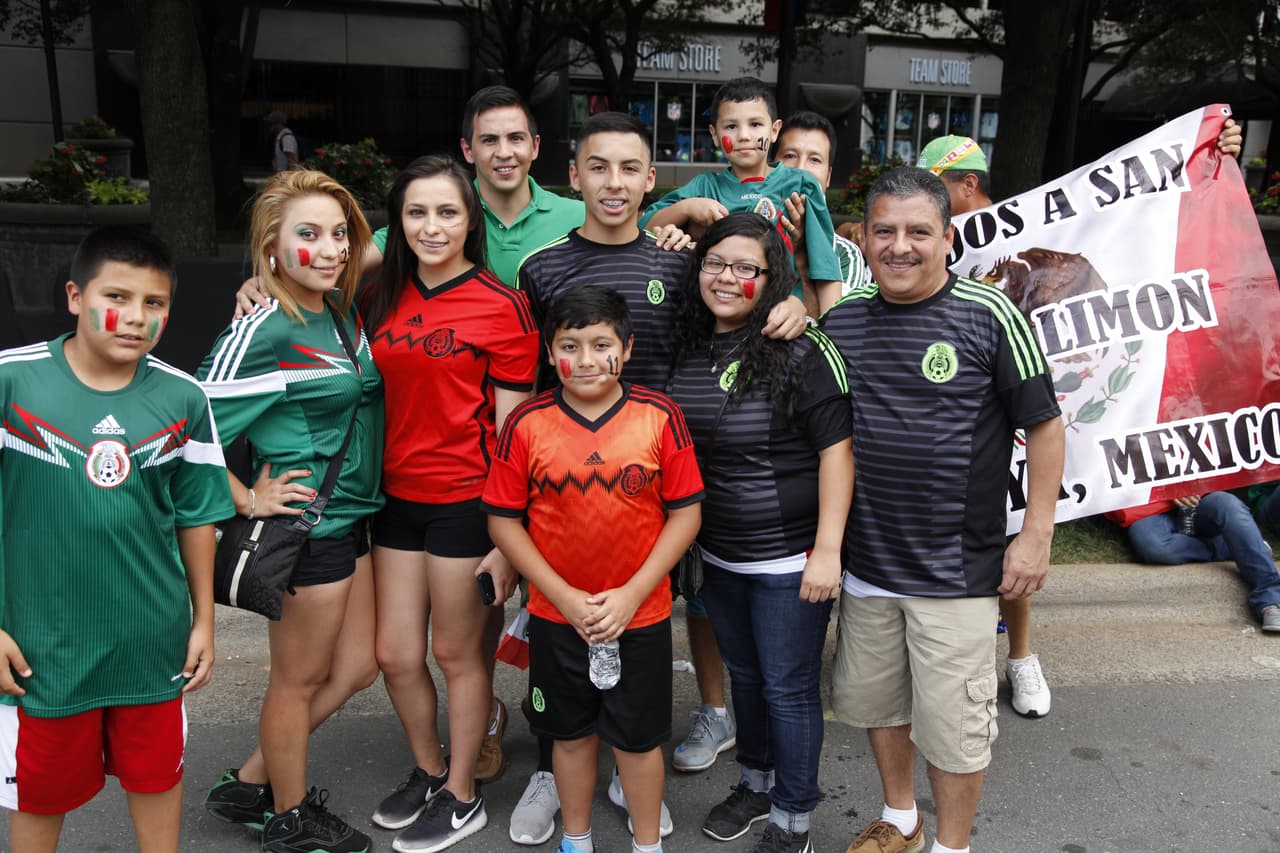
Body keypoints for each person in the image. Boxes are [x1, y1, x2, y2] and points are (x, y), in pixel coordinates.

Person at [914, 116, 1246, 720]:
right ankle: (948, 653)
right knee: (964, 536)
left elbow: (1140, 206)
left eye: (937, 189)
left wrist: (1209, 149)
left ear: (965, 186)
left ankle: (1021, 657)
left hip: (1029, 406)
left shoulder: (1038, 228)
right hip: (959, 417)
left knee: (1016, 536)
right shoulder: (936, 239)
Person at [822, 167, 1065, 853]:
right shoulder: (840, 322)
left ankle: (952, 846)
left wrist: (1037, 535)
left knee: (956, 730)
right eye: (885, 231)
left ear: (948, 238)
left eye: (918, 231)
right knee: (878, 707)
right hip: (867, 569)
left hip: (958, 573)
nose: (900, 246)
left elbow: (1045, 425)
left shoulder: (990, 315)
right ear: (865, 239)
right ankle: (900, 819)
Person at [0, 226, 231, 852]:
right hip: (42, 652)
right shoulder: (12, 384)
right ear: (75, 296)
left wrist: (203, 619)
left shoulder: (184, 396)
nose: (135, 318)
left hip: (150, 644)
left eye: (153, 304)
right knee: (39, 803)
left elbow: (197, 518)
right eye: (118, 297)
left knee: (157, 788)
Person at [198, 171, 384, 853]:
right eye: (309, 234)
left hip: (351, 519)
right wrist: (247, 497)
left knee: (358, 666)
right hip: (306, 527)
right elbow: (184, 430)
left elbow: (400, 237)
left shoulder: (336, 309)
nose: (331, 247)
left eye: (339, 233)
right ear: (271, 248)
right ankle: (290, 815)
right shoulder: (265, 328)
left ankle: (252, 780)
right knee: (297, 679)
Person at [484, 285, 704, 853]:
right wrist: (560, 596)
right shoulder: (527, 424)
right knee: (571, 736)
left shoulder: (660, 417)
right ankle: (576, 841)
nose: (584, 360)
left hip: (642, 614)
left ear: (627, 349)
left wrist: (633, 593)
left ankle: (648, 843)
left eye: (600, 344)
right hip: (557, 617)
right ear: (549, 351)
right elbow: (505, 524)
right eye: (569, 345)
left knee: (638, 740)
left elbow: (685, 514)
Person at [363, 154, 536, 853]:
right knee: (396, 654)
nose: (431, 226)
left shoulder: (502, 305)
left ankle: (462, 793)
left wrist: (508, 534)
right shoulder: (376, 294)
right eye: (415, 212)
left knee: (458, 653)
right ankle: (431, 769)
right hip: (394, 499)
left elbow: (514, 431)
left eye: (447, 212)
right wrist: (256, 283)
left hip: (468, 500)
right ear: (397, 223)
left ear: (471, 221)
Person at [667, 213, 854, 853]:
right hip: (718, 556)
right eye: (716, 263)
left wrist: (827, 552)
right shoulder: (687, 344)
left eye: (747, 268)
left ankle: (794, 818)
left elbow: (837, 451)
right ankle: (754, 783)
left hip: (790, 558)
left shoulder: (799, 345)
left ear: (771, 279)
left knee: (789, 687)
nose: (727, 277)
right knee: (744, 677)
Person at [639, 77, 840, 317]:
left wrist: (831, 337)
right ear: (714, 134)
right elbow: (644, 226)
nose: (743, 135)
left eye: (755, 124)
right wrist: (688, 207)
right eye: (731, 126)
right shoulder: (705, 187)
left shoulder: (802, 185)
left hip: (781, 320)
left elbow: (825, 268)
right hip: (716, 322)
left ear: (775, 130)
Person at [1107, 493, 1280, 632]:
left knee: (1229, 505)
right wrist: (1167, 492)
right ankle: (1240, 546)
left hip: (1202, 499)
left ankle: (1272, 599)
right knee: (1152, 544)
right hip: (1150, 508)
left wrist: (1193, 486)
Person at [773, 110, 871, 314]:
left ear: (828, 177)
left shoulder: (845, 255)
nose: (800, 170)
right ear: (771, 166)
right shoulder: (744, 233)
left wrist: (800, 253)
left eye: (814, 160)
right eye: (790, 156)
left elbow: (835, 330)